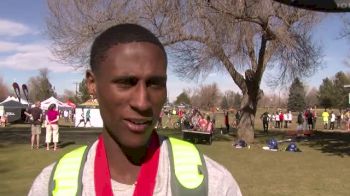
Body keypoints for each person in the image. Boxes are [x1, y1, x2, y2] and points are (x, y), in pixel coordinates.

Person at [29, 24, 241, 196]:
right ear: (92, 84)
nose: (142, 102)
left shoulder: (212, 186)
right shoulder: (52, 186)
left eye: (155, 84)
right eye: (126, 82)